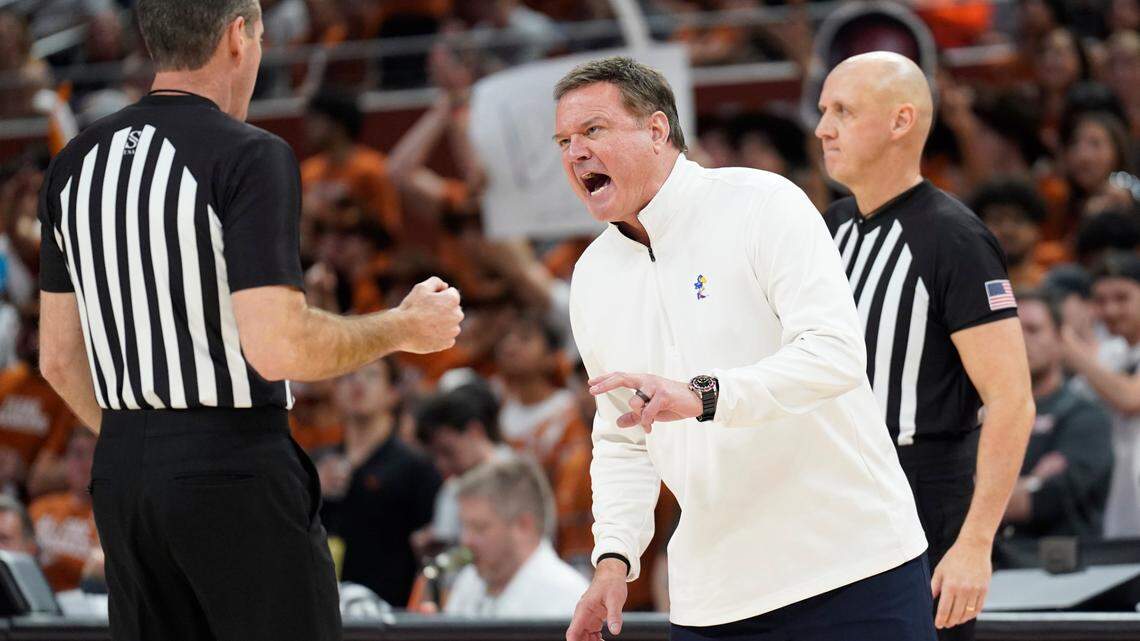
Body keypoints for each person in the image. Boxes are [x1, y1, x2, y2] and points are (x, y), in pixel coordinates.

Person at [35, 1, 463, 639]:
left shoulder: (74, 164)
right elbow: (278, 345)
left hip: (123, 472)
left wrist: (147, 440)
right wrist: (402, 327)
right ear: (239, 36)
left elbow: (59, 361)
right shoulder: (249, 155)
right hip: (231, 464)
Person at [555, 57, 932, 641]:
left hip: (852, 567)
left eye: (593, 131)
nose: (575, 152)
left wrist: (705, 396)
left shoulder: (761, 202)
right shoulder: (592, 276)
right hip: (714, 599)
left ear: (657, 131)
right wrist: (614, 559)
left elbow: (833, 353)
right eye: (564, 140)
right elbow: (623, 436)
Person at [816, 52, 1035, 639]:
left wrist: (974, 544)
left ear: (900, 121)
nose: (822, 128)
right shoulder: (831, 225)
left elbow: (1012, 400)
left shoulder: (954, 237)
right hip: (836, 487)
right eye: (823, 111)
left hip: (923, 490)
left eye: (842, 110)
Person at [317, 358, 441, 608]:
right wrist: (311, 489)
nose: (358, 384)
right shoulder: (315, 463)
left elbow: (430, 550)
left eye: (371, 375)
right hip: (326, 607)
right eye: (348, 375)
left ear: (393, 392)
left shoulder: (417, 467)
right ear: (334, 390)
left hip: (392, 611)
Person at [1002, 291, 1113, 540]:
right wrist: (1034, 480)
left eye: (1033, 329)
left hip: (1063, 566)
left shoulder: (1086, 417)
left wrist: (986, 493)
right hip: (995, 565)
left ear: (1060, 337)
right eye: (1014, 330)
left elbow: (1044, 501)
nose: (1021, 339)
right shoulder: (984, 415)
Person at [443, 458, 588, 618]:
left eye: (480, 527)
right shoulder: (469, 581)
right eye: (465, 526)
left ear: (523, 526)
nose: (466, 540)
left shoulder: (568, 600)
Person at [1060, 252, 1140, 538]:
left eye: (1122, 298)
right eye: (1101, 300)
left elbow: (1130, 398)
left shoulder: (1093, 359)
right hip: (1121, 505)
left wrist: (1068, 345)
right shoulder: (1111, 353)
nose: (1111, 310)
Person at [413, 379, 513, 551]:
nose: (441, 464)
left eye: (447, 451)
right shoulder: (451, 488)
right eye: (434, 455)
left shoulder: (515, 476)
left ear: (474, 431)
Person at [28, 427, 99, 592]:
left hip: (86, 606)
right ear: (66, 460)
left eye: (95, 455)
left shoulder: (112, 517)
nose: (86, 465)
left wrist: (56, 560)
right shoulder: (40, 508)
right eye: (78, 454)